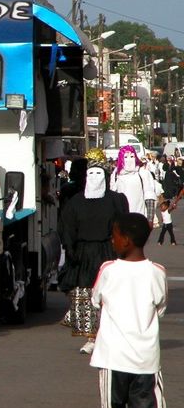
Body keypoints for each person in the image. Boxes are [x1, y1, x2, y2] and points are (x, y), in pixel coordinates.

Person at [90, 213, 173, 408]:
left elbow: (96, 299)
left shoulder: (108, 270)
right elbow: (161, 307)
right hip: (146, 360)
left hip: (113, 358)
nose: (111, 240)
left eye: (114, 236)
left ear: (126, 240)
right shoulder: (157, 272)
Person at [58, 148, 129, 354]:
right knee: (86, 295)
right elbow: (67, 228)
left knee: (110, 296)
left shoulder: (116, 200)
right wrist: (71, 251)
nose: (95, 177)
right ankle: (91, 337)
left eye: (99, 173)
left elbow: (123, 224)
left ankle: (111, 334)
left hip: (108, 252)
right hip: (83, 254)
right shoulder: (76, 203)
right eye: (91, 173)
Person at [110, 145, 157, 222]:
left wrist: (150, 219)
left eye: (132, 156)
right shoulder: (116, 174)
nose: (129, 159)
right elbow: (113, 196)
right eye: (125, 157)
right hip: (121, 221)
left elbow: (149, 196)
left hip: (139, 219)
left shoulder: (143, 173)